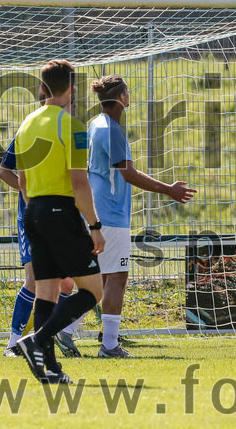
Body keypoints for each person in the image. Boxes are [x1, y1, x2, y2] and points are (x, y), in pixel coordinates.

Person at [86, 74, 196, 357]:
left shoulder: (95, 124)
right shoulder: (112, 130)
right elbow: (129, 173)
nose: (129, 96)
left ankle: (66, 331)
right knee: (117, 276)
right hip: (110, 213)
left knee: (99, 279)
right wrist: (168, 190)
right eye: (127, 92)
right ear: (122, 98)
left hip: (96, 211)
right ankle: (108, 345)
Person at [14, 60, 105, 384]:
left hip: (33, 211)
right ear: (72, 89)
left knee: (47, 290)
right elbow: (79, 182)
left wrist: (34, 214)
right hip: (59, 210)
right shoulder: (72, 125)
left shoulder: (26, 124)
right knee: (93, 290)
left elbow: (22, 179)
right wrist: (94, 227)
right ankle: (36, 341)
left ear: (42, 88)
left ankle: (49, 368)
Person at [0, 91, 82, 358]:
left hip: (62, 217)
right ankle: (13, 343)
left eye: (72, 102)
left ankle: (53, 331)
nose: (70, 107)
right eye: (67, 101)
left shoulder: (72, 133)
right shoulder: (30, 131)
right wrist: (32, 197)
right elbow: (4, 171)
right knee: (34, 280)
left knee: (68, 284)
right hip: (33, 217)